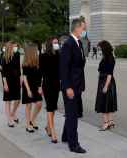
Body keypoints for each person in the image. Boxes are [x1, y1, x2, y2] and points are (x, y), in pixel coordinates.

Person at [60, 18, 87, 154]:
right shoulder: (68, 44)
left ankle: (66, 136)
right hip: (70, 86)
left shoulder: (78, 43)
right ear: (76, 28)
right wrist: (68, 87)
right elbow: (63, 68)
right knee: (72, 116)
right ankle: (74, 144)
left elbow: (79, 65)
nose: (84, 30)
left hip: (77, 85)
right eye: (83, 28)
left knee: (72, 113)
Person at [40, 37, 60, 143]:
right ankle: (53, 131)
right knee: (49, 106)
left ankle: (48, 126)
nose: (57, 44)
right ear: (50, 44)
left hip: (56, 84)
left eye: (57, 42)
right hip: (47, 84)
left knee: (53, 107)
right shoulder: (43, 56)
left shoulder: (58, 55)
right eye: (55, 43)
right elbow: (40, 72)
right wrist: (39, 86)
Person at [95, 40, 117, 131]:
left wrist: (106, 86)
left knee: (103, 102)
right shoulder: (107, 57)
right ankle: (111, 122)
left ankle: (105, 123)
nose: (99, 50)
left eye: (100, 48)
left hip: (106, 82)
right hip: (105, 81)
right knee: (109, 102)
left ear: (104, 48)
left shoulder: (109, 58)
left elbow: (109, 73)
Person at [22, 44, 43, 133]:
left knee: (39, 104)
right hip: (28, 86)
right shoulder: (25, 63)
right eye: (36, 50)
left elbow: (40, 76)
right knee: (29, 105)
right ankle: (28, 124)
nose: (38, 52)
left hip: (36, 85)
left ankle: (32, 119)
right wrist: (28, 90)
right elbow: (25, 78)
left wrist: (40, 87)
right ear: (32, 52)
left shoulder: (38, 62)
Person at [0, 41, 21, 127]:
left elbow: (18, 67)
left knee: (18, 99)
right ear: (10, 47)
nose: (15, 48)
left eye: (16, 47)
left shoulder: (17, 55)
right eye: (14, 47)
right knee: (8, 100)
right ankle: (9, 119)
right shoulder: (4, 56)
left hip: (16, 79)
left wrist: (20, 78)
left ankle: (12, 113)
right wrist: (5, 83)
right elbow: (3, 72)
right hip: (7, 80)